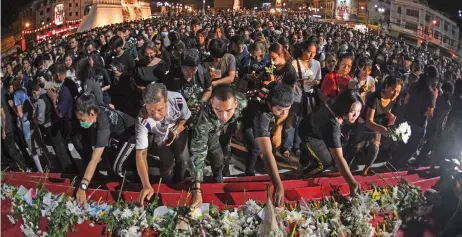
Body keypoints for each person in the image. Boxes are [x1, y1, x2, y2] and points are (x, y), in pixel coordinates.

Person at [189, 84, 247, 208]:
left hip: (229, 128)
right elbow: (199, 151)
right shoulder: (204, 117)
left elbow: (247, 112)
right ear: (211, 103)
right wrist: (196, 189)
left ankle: (224, 170)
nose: (223, 116)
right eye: (218, 110)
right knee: (217, 155)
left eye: (228, 110)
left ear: (236, 103)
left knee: (226, 150)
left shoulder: (242, 102)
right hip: (211, 131)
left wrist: (240, 127)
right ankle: (218, 177)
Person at [75, 93, 136, 206]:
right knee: (111, 165)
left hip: (132, 135)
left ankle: (130, 193)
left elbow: (95, 159)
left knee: (117, 168)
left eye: (82, 119)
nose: (81, 123)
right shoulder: (97, 109)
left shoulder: (103, 124)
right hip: (118, 136)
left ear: (92, 113)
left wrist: (83, 186)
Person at [298, 90, 363, 194]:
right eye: (352, 111)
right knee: (326, 162)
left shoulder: (334, 102)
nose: (356, 115)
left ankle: (305, 151)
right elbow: (338, 158)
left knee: (324, 151)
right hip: (309, 134)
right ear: (344, 107)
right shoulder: (333, 126)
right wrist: (352, 182)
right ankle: (302, 176)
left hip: (313, 124)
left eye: (359, 111)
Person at [136, 83, 191, 204]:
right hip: (159, 136)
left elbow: (186, 118)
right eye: (151, 110)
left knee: (182, 158)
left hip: (177, 129)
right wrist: (146, 185)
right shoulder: (142, 119)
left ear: (166, 102)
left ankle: (179, 183)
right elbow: (141, 154)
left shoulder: (177, 100)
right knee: (167, 163)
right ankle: (167, 185)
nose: (155, 115)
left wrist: (176, 131)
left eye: (160, 109)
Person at [243, 83, 293, 183]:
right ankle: (249, 173)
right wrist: (278, 184)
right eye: (280, 110)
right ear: (270, 104)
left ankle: (257, 159)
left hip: (255, 115)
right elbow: (267, 153)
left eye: (287, 109)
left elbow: (273, 84)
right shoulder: (260, 114)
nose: (284, 114)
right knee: (256, 147)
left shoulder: (282, 96)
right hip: (245, 119)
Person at [390, 66, 438, 168]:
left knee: (402, 143)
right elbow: (429, 115)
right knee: (411, 148)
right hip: (419, 124)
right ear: (433, 79)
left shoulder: (415, 85)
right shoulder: (431, 93)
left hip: (407, 119)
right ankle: (398, 167)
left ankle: (392, 163)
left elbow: (406, 101)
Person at [360, 76, 402, 175]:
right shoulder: (375, 98)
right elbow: (369, 121)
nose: (395, 94)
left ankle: (366, 169)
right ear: (386, 86)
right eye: (393, 90)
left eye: (398, 91)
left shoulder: (393, 99)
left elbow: (385, 111)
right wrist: (381, 128)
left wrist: (390, 116)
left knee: (375, 149)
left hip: (377, 124)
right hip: (364, 122)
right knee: (355, 146)